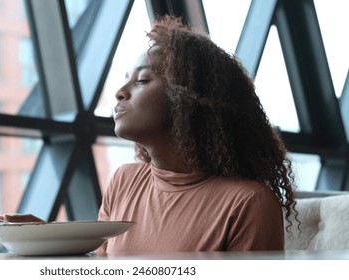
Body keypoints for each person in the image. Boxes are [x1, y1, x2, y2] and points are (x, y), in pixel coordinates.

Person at [95, 15, 298, 254]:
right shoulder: (123, 182)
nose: (120, 92)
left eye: (142, 80)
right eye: (125, 80)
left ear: (187, 98)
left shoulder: (249, 203)